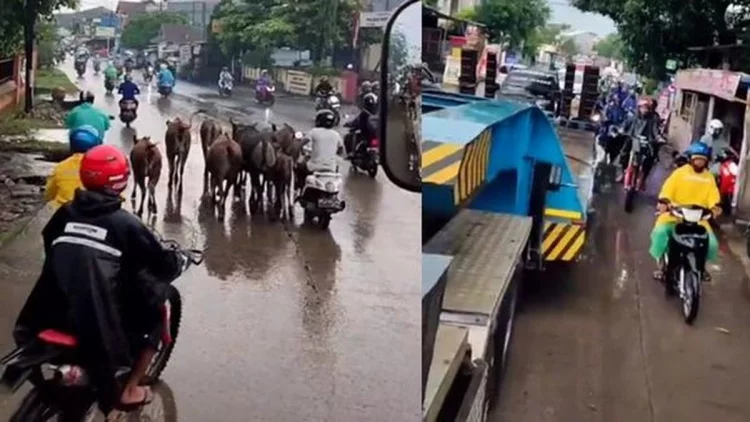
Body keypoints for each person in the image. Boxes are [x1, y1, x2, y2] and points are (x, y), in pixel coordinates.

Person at [13, 144, 185, 414]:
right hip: (97, 321)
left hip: (50, 310)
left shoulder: (66, 213)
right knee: (155, 312)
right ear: (122, 180)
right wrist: (179, 260)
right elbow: (161, 263)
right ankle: (129, 390)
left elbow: (51, 243)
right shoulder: (126, 224)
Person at [650, 141, 720, 282]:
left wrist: (715, 208)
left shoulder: (709, 178)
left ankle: (701, 266)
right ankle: (662, 266)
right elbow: (667, 190)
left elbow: (714, 198)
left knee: (711, 243)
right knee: (660, 233)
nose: (700, 162)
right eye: (697, 159)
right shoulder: (679, 174)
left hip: (698, 220)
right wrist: (664, 202)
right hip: (674, 216)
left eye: (703, 160)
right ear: (691, 159)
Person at [46, 92, 109, 209]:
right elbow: (107, 126)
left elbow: (49, 195)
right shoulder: (103, 170)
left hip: (64, 214)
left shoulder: (61, 168)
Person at [616, 98, 663, 184]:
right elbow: (626, 123)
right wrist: (622, 129)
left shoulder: (654, 118)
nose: (644, 110)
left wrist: (658, 138)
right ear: (639, 107)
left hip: (647, 141)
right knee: (623, 153)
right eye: (643, 107)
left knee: (650, 157)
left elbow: (655, 130)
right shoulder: (633, 115)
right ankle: (623, 172)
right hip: (632, 138)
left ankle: (643, 177)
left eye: (647, 108)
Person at [300, 109, 345, 176]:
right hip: (331, 169)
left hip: (313, 167)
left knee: (299, 168)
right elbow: (341, 152)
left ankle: (300, 186)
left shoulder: (314, 131)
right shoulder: (336, 134)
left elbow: (301, 144)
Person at [344, 92, 378, 157]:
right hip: (376, 136)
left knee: (349, 136)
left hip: (366, 135)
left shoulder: (364, 113)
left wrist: (349, 124)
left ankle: (352, 153)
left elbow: (356, 122)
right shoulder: (378, 112)